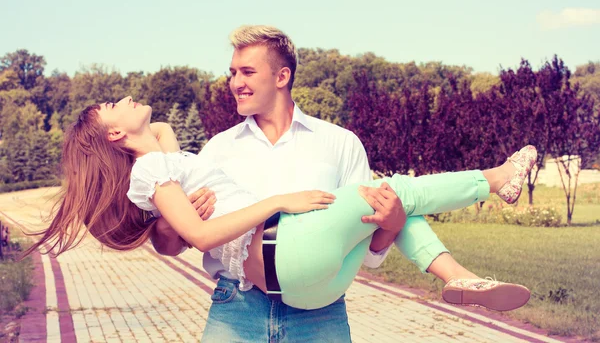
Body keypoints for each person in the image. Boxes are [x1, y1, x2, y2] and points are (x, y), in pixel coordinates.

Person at [151, 25, 533, 342]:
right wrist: (169, 225)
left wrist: (393, 224)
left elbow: (368, 253)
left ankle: (471, 242)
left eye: (247, 72)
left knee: (392, 200)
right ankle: (475, 232)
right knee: (395, 190)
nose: (235, 83)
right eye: (232, 73)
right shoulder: (217, 150)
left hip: (320, 314)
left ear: (282, 76)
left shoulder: (339, 143)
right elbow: (177, 242)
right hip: (237, 308)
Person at [23, 96, 535, 312]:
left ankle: (458, 277)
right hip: (285, 253)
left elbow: (159, 133)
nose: (130, 97)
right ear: (115, 131)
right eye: (118, 105)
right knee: (394, 189)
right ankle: (497, 179)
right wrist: (277, 201)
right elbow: (197, 237)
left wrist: (143, 136)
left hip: (308, 285)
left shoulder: (162, 161)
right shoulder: (152, 171)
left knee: (393, 206)